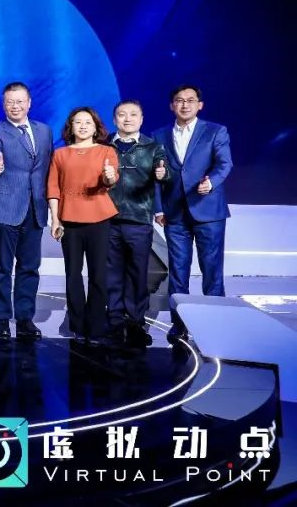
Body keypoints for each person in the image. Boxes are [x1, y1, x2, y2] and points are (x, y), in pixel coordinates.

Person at [152, 84, 233, 345]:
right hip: (174, 214)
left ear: (200, 105)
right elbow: (156, 175)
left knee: (212, 271)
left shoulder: (215, 131)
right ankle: (179, 325)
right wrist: (158, 208)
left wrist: (212, 182)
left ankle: (215, 324)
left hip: (208, 211)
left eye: (190, 100)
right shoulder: (159, 135)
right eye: (179, 100)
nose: (185, 105)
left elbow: (224, 163)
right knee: (178, 272)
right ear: (171, 106)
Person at [0, 82, 53, 341]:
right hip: (5, 208)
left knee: (29, 267)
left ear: (29, 103)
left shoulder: (44, 131)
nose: (15, 106)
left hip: (35, 208)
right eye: (10, 102)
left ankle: (25, 318)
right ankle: (2, 318)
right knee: (2, 267)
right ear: (4, 104)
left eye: (20, 101)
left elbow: (47, 167)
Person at [47, 107, 120, 344]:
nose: (83, 126)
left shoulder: (107, 151)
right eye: (78, 122)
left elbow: (111, 180)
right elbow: (53, 189)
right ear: (71, 127)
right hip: (69, 219)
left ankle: (96, 325)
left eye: (88, 122)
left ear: (96, 126)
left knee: (98, 273)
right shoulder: (60, 154)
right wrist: (55, 219)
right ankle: (77, 325)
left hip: (99, 218)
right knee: (73, 274)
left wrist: (109, 175)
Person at [106, 100, 170, 348]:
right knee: (112, 273)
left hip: (139, 221)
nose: (127, 119)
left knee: (137, 273)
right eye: (122, 115)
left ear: (141, 119)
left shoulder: (153, 147)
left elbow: (166, 172)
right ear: (115, 120)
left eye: (133, 115)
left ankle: (135, 321)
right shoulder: (104, 145)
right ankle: (114, 320)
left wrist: (163, 174)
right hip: (108, 220)